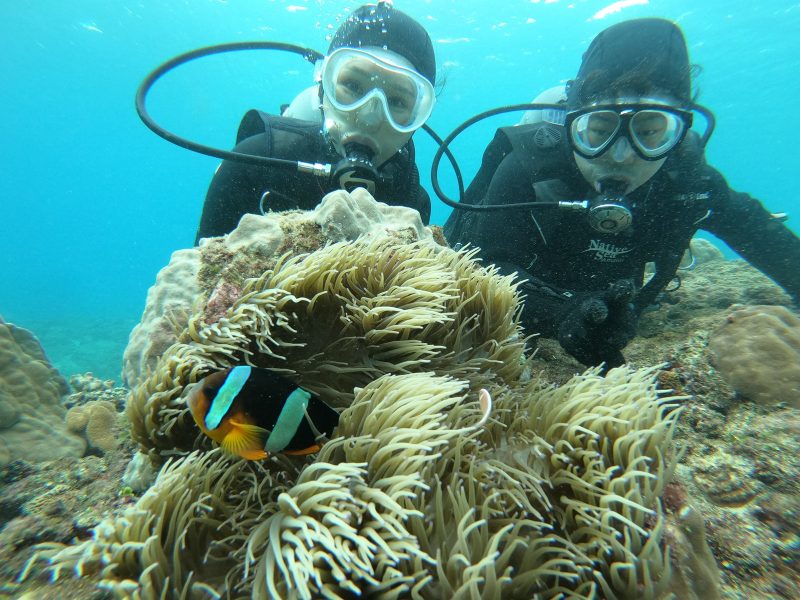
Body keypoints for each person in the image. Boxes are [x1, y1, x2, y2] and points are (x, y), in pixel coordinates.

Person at [444, 18, 800, 369]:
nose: (621, 156)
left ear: (678, 135)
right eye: (599, 131)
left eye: (649, 133)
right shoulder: (529, 168)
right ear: (573, 125)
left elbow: (760, 233)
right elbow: (486, 267)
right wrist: (561, 313)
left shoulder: (688, 182)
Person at [195, 2, 436, 243]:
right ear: (324, 86)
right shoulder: (253, 164)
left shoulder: (412, 202)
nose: (369, 118)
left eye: (396, 101)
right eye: (352, 86)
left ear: (417, 119)